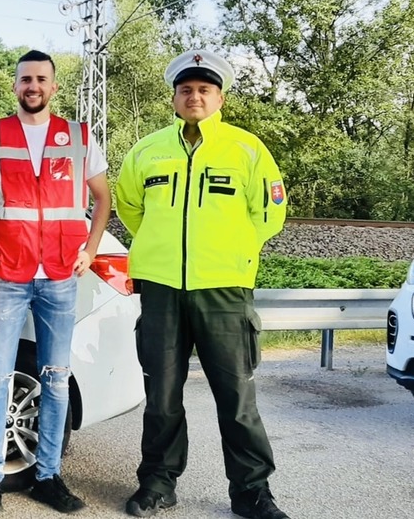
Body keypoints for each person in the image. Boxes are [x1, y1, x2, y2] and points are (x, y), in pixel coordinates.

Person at [115, 49, 290, 519]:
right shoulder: (147, 150)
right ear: (174, 97)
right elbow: (130, 206)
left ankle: (252, 492)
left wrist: (230, 252)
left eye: (204, 89)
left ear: (220, 98)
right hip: (161, 289)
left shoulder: (247, 149)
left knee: (236, 399)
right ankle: (157, 482)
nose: (195, 96)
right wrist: (160, 245)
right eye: (186, 89)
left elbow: (270, 213)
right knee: (162, 396)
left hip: (224, 290)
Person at [0, 49, 111, 516]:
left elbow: (103, 198)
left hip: (61, 276)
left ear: (54, 86)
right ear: (15, 86)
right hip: (8, 274)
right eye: (25, 79)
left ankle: (48, 476)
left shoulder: (80, 136)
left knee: (56, 380)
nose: (33, 86)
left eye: (41, 79)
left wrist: (91, 247)